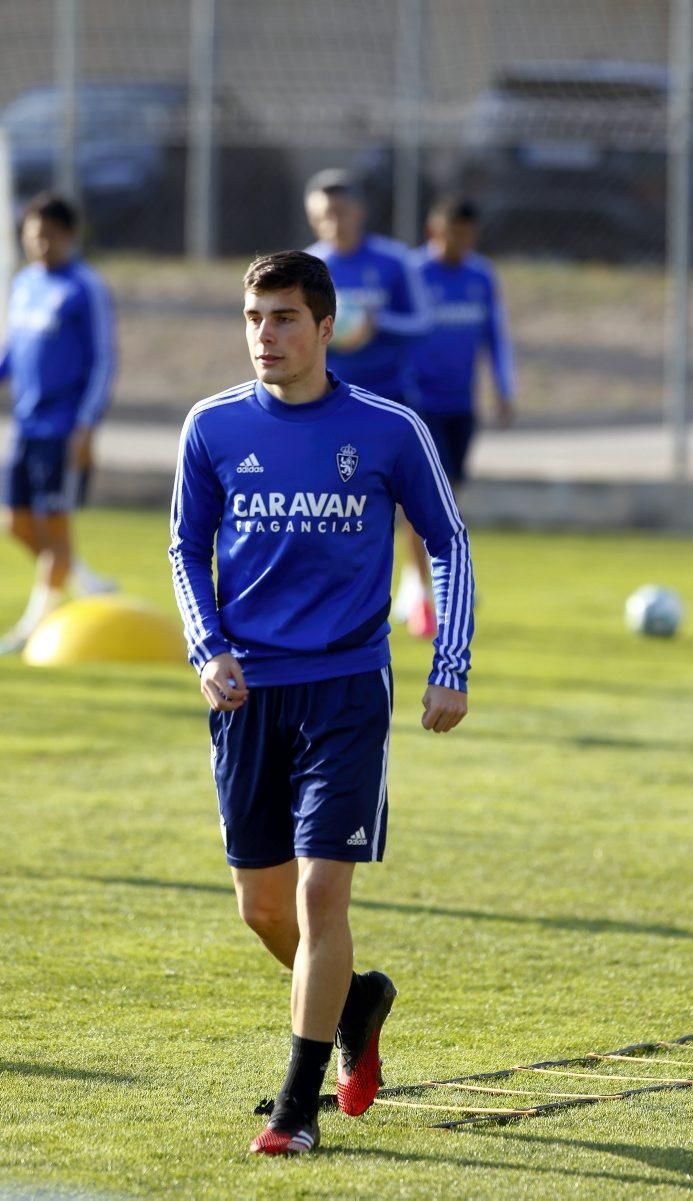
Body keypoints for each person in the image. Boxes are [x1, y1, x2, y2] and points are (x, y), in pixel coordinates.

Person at [169, 250, 474, 1157]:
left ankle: (296, 1109)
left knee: (319, 889)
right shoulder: (212, 425)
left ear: (327, 326)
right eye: (257, 318)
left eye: (287, 318)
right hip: (246, 692)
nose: (268, 335)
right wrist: (206, 647)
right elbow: (185, 548)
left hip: (345, 688)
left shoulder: (387, 428)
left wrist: (448, 661)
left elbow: (448, 540)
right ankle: (358, 1004)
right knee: (265, 910)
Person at [303, 168, 437, 638]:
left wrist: (376, 322)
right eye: (323, 215)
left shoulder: (394, 262)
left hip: (390, 400)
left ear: (358, 210)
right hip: (328, 403)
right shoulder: (308, 268)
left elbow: (422, 321)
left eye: (340, 211)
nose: (333, 222)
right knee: (328, 503)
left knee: (408, 502)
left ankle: (421, 593)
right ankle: (330, 597)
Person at [0, 192, 117, 653]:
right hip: (24, 424)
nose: (40, 246)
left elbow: (104, 361)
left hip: (63, 427)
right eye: (33, 237)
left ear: (71, 235)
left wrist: (87, 426)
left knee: (55, 523)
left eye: (49, 236)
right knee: (16, 522)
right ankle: (83, 580)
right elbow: (14, 350)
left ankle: (33, 627)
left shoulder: (84, 287)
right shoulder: (26, 282)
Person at [412, 196, 515, 489]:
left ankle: (438, 538)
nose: (459, 241)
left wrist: (504, 390)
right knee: (430, 485)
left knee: (453, 484)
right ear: (434, 231)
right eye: (452, 233)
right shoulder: (413, 272)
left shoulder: (481, 276)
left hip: (461, 400)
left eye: (467, 234)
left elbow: (495, 336)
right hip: (420, 400)